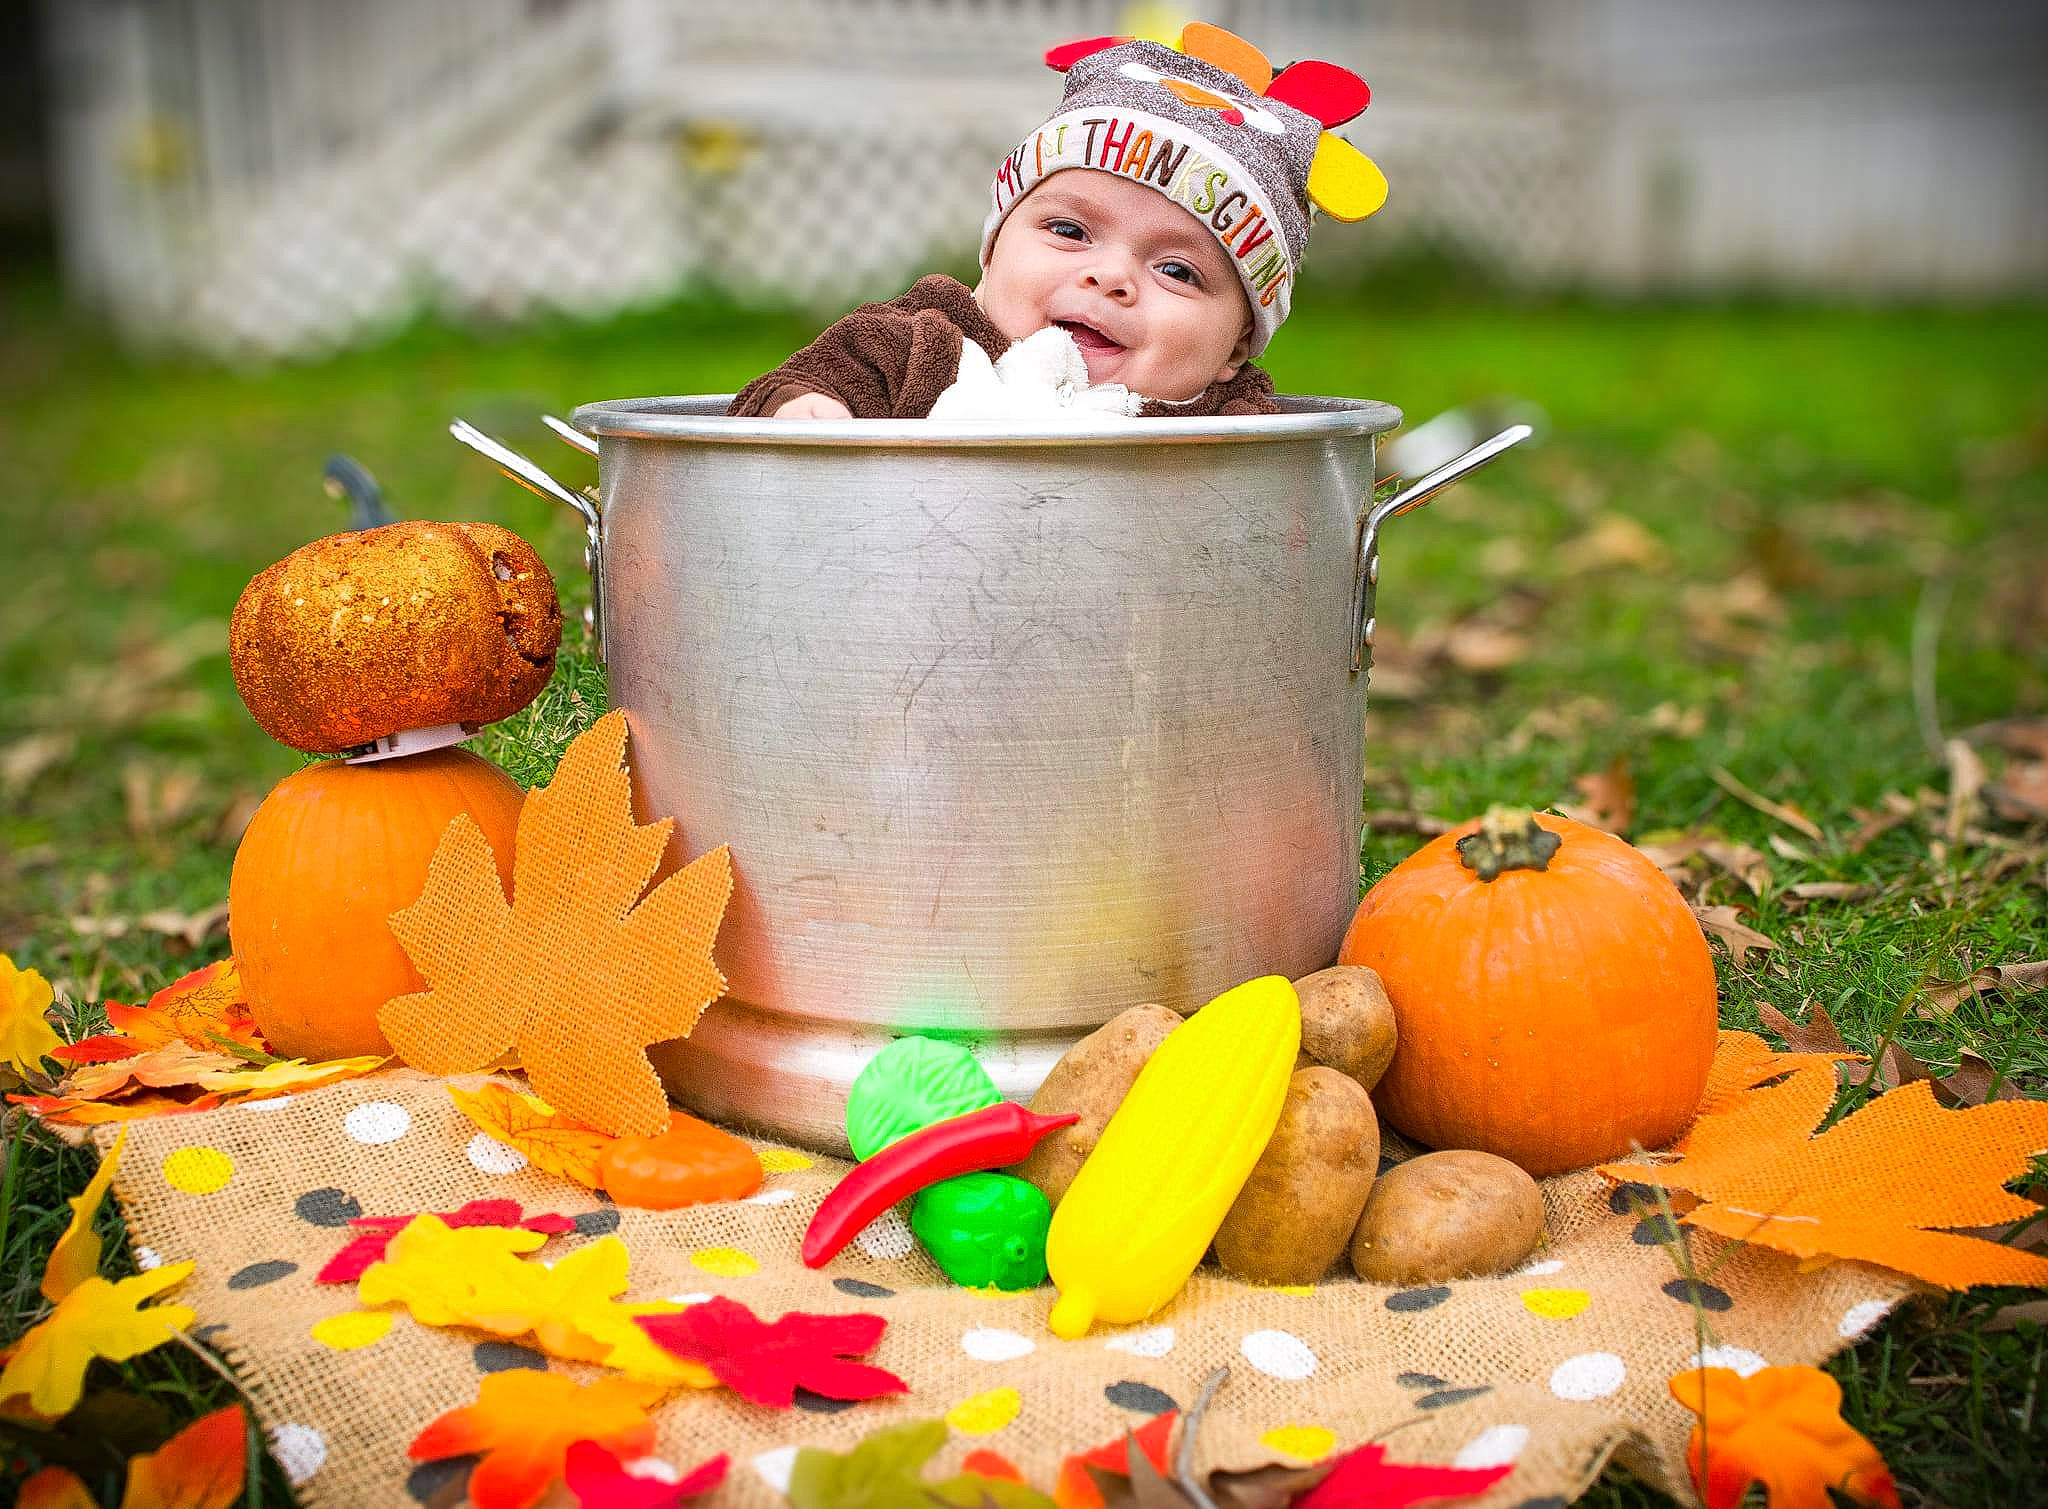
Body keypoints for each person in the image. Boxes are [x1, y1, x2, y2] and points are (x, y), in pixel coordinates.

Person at [728, 22, 1388, 421]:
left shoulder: (1230, 425)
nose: (1110, 276)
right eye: (1070, 232)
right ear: (992, 252)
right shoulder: (917, 346)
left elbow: (1281, 515)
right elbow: (786, 392)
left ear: (1236, 349)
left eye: (1177, 270)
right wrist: (808, 412)